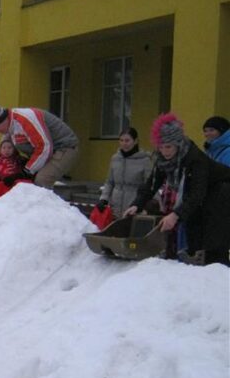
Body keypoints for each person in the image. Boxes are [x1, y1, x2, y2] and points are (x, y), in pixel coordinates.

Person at [124, 113, 230, 265]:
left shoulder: (195, 159)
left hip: (222, 195)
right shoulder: (163, 159)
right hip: (200, 200)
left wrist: (175, 215)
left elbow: (196, 194)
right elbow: (151, 184)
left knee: (213, 242)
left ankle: (217, 273)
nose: (165, 151)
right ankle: (195, 266)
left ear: (178, 144)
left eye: (169, 147)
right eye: (161, 147)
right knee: (193, 233)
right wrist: (136, 204)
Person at [0, 102, 79, 189]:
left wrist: (26, 172)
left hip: (63, 147)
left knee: (41, 180)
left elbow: (44, 147)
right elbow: (4, 155)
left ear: (3, 119)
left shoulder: (25, 119)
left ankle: (45, 210)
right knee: (26, 181)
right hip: (45, 152)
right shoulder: (9, 128)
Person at [96, 127, 152, 218]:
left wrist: (147, 205)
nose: (124, 144)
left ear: (135, 141)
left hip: (134, 207)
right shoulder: (115, 158)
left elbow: (150, 185)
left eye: (127, 140)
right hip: (115, 207)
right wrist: (104, 198)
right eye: (121, 140)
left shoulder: (145, 160)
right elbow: (110, 181)